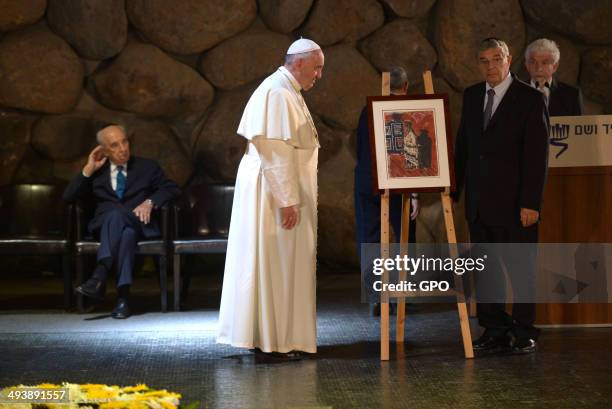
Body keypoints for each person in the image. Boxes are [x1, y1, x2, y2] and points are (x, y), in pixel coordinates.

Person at [216, 38, 324, 360]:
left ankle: (269, 338)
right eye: (316, 68)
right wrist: (288, 200)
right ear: (299, 63)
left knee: (272, 262)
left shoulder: (285, 89)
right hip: (272, 193)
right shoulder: (277, 92)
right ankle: (272, 343)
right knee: (275, 263)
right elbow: (275, 151)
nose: (319, 75)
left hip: (272, 188)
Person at [454, 38, 549, 354]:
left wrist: (531, 202)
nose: (490, 66)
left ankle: (524, 330)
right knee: (485, 270)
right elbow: (464, 148)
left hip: (515, 206)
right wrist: (453, 188)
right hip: (479, 204)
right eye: (484, 60)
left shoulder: (531, 100)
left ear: (509, 60)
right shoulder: (470, 96)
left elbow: (537, 157)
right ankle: (494, 328)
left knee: (520, 270)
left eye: (497, 59)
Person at [63, 124, 180, 319]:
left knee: (123, 223)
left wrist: (150, 202)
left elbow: (172, 189)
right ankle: (122, 299)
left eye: (124, 141)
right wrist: (88, 168)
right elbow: (68, 197)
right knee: (124, 231)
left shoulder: (147, 167)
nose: (123, 148)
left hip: (140, 223)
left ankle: (100, 275)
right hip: (104, 227)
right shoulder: (97, 172)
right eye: (114, 145)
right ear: (104, 150)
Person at [354, 66, 419, 316]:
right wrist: (414, 195)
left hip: (367, 182)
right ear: (405, 86)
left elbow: (360, 148)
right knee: (403, 236)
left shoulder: (367, 110)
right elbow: (414, 157)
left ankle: (376, 295)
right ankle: (403, 293)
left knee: (370, 238)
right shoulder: (411, 112)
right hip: (399, 183)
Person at [524, 38, 583, 116]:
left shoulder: (572, 95)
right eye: (533, 62)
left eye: (544, 63)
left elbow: (577, 126)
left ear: (555, 66)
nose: (538, 68)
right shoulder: (513, 93)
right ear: (527, 65)